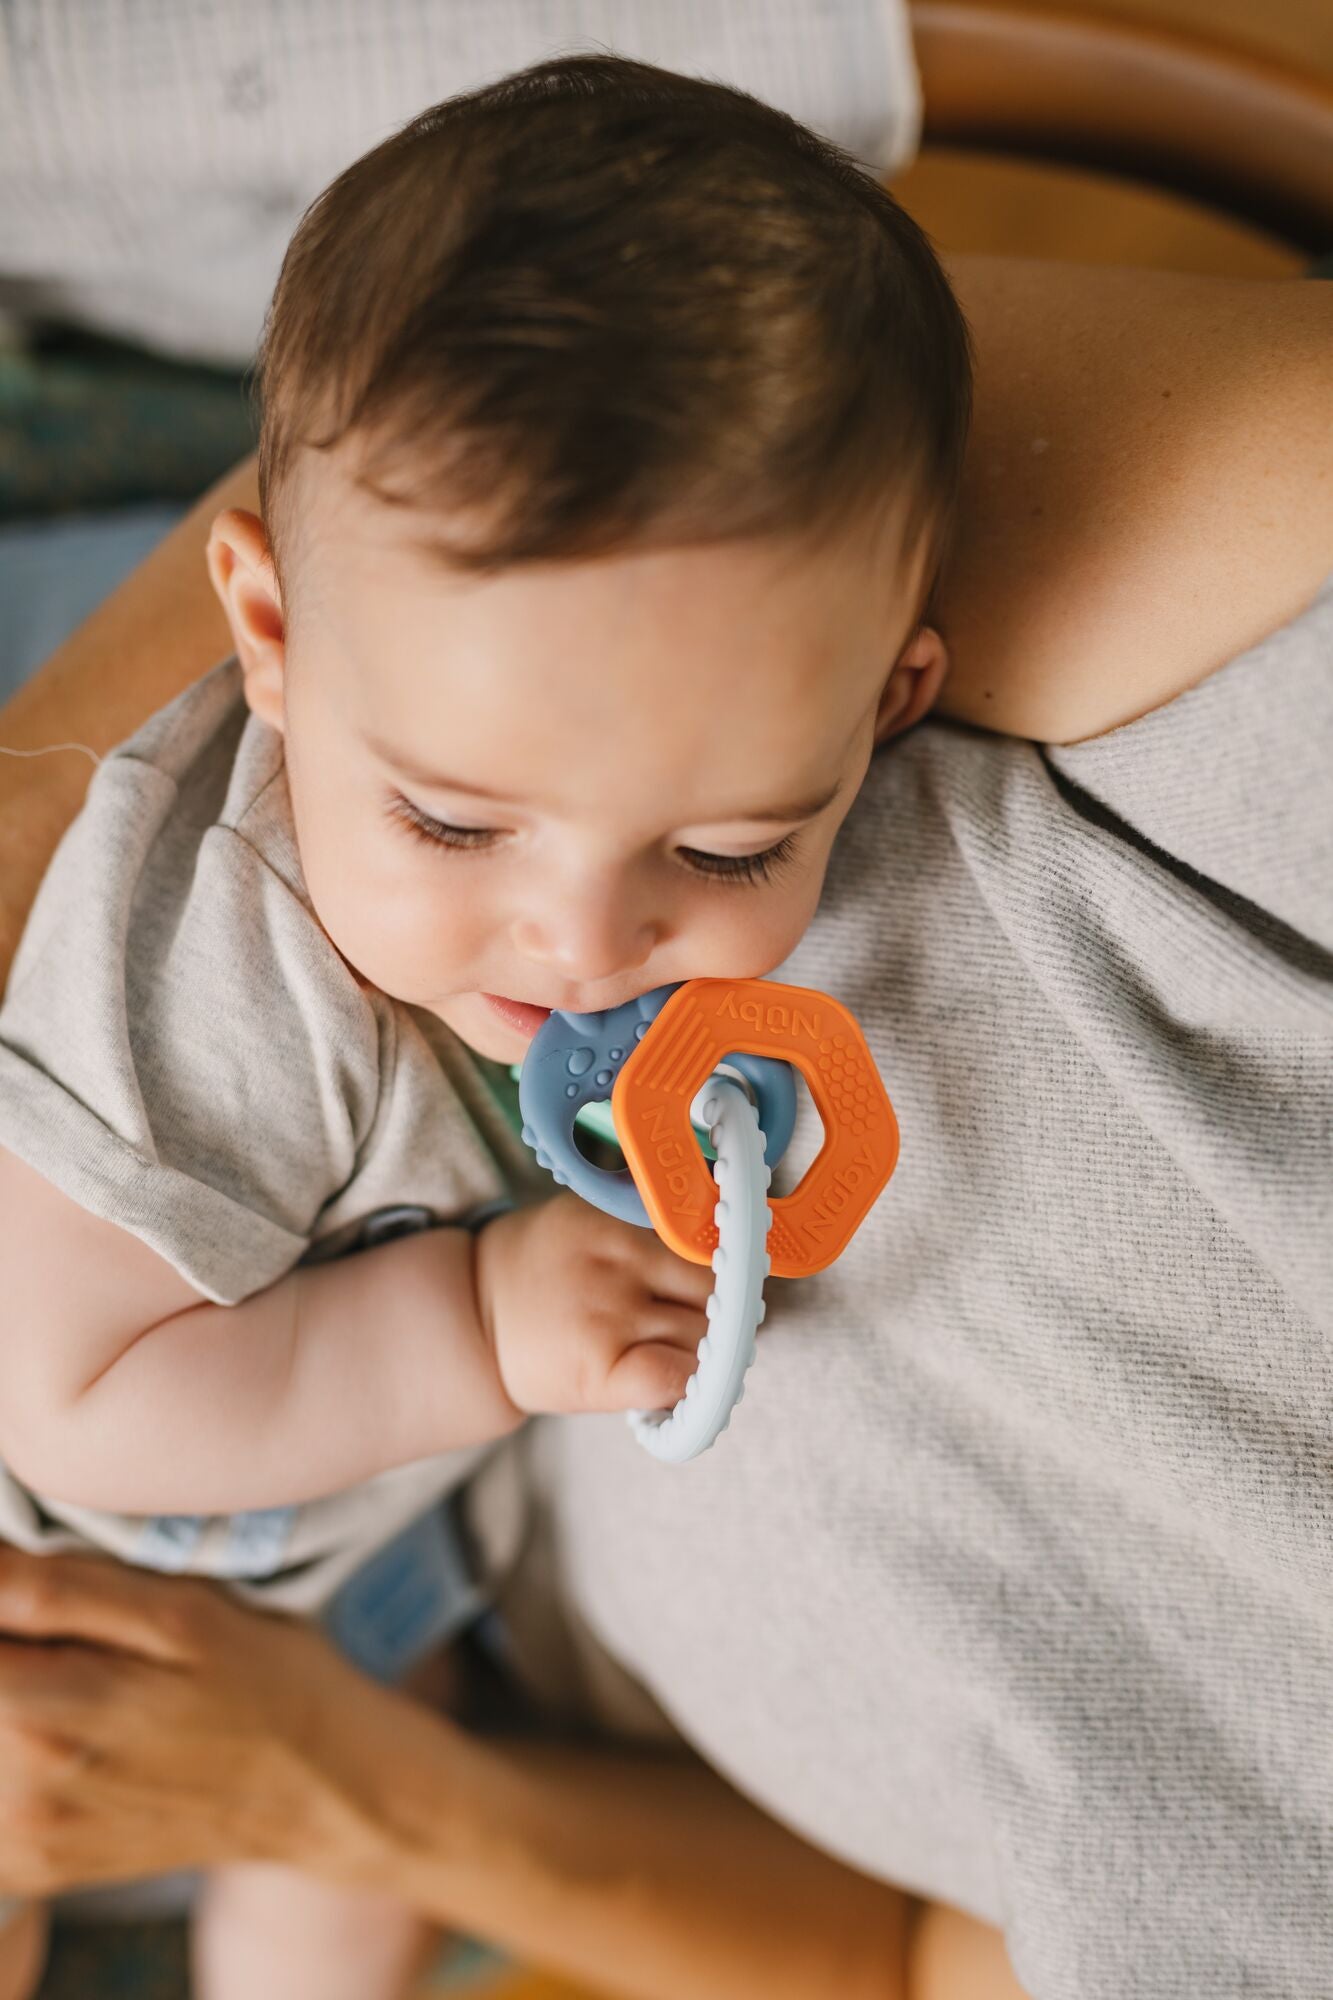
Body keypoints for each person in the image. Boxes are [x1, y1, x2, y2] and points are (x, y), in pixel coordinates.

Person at [0, 156, 1328, 2000]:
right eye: (452, 821)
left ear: (889, 702)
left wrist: (345, 1771)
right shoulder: (227, 967)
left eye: (720, 855)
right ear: (274, 639)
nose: (579, 943)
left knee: (316, 1924)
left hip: (378, 1597)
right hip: (99, 1518)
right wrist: (473, 1324)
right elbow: (73, 1394)